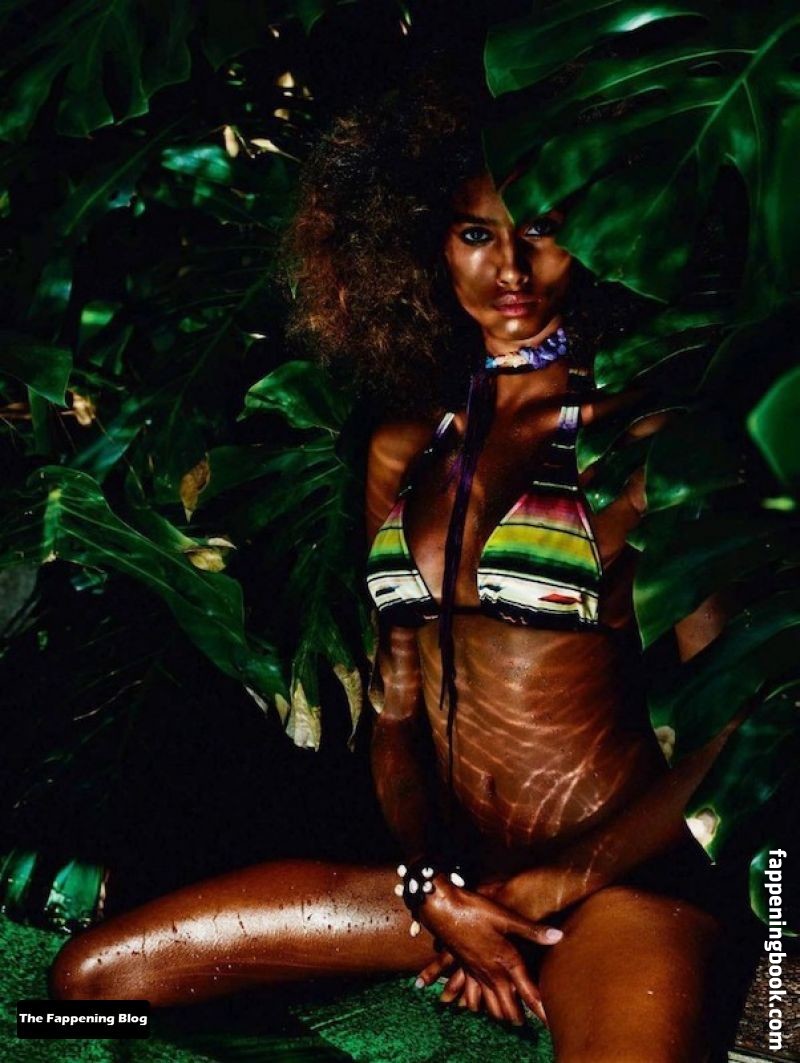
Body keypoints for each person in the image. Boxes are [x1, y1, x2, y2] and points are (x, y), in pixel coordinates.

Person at [50, 86, 753, 1062]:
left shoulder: (644, 440)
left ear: (592, 239)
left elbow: (734, 727)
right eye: (474, 234)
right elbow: (396, 716)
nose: (509, 268)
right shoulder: (405, 451)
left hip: (612, 887)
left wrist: (547, 886)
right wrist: (434, 886)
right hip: (454, 884)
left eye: (542, 229)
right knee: (86, 988)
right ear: (428, 248)